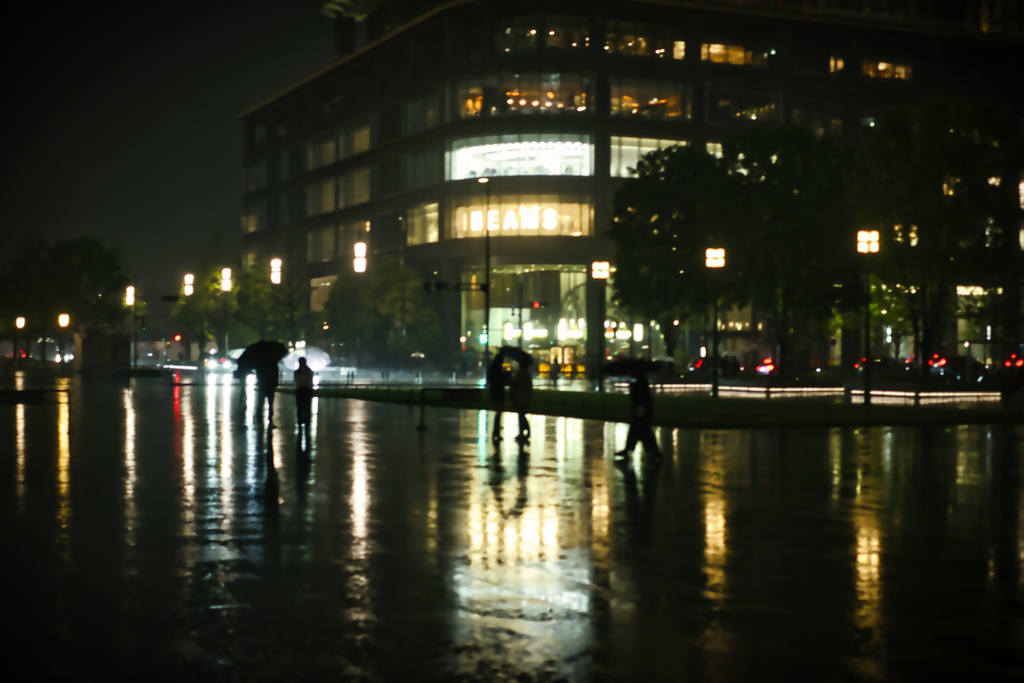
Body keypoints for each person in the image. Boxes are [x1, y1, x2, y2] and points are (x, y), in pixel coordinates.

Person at [616, 373, 661, 459]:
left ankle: (652, 452)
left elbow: (637, 398)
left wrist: (632, 388)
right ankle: (653, 452)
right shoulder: (643, 383)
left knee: (639, 432)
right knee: (642, 432)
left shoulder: (639, 385)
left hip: (640, 411)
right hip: (643, 411)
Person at [509, 361, 533, 443]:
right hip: (525, 398)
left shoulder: (521, 375)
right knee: (522, 415)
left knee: (521, 416)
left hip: (519, 398)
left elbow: (514, 383)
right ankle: (525, 432)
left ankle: (524, 432)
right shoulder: (527, 375)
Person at [486, 352, 507, 443]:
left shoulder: (492, 369)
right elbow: (501, 380)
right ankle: (496, 433)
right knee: (499, 413)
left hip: (494, 392)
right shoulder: (498, 370)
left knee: (498, 413)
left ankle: (496, 433)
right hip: (498, 392)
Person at [255, 361, 279, 428]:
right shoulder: (273, 364)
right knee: (268, 404)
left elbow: (258, 375)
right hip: (268, 386)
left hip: (264, 386)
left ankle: (261, 421)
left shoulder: (260, 364)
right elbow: (276, 376)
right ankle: (268, 421)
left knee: (262, 404)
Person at [294, 356, 314, 427]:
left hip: (301, 390)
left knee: (301, 407)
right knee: (306, 407)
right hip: (306, 390)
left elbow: (298, 381)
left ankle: (301, 421)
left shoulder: (297, 371)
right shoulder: (308, 371)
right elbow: (307, 380)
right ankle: (306, 421)